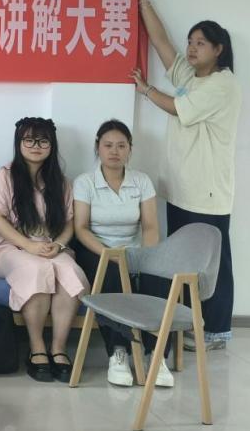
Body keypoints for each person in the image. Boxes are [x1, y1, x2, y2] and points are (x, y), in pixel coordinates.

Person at [133, 0, 240, 351]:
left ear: (218, 49)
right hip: (182, 189)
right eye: (191, 42)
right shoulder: (192, 76)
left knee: (212, 264)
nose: (192, 48)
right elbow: (161, 42)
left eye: (201, 43)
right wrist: (144, 0)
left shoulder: (223, 84)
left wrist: (146, 90)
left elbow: (178, 108)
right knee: (182, 262)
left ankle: (215, 331)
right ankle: (189, 324)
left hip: (207, 194)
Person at [0, 117, 87, 383]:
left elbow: (69, 222)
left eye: (43, 141)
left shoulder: (61, 182)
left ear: (52, 145)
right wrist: (28, 245)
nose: (35, 146)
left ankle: (59, 348)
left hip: (50, 247)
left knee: (71, 272)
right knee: (36, 269)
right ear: (19, 143)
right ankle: (37, 347)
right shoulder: (4, 176)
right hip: (9, 247)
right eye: (28, 140)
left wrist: (59, 245)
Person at [73, 120, 174, 388]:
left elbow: (150, 227)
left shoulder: (141, 181)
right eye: (108, 145)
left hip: (135, 250)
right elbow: (80, 228)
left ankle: (156, 355)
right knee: (111, 275)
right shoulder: (85, 182)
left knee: (159, 278)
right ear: (98, 147)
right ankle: (118, 351)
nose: (114, 151)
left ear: (130, 149)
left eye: (121, 146)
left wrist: (145, 258)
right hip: (96, 249)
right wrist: (109, 254)